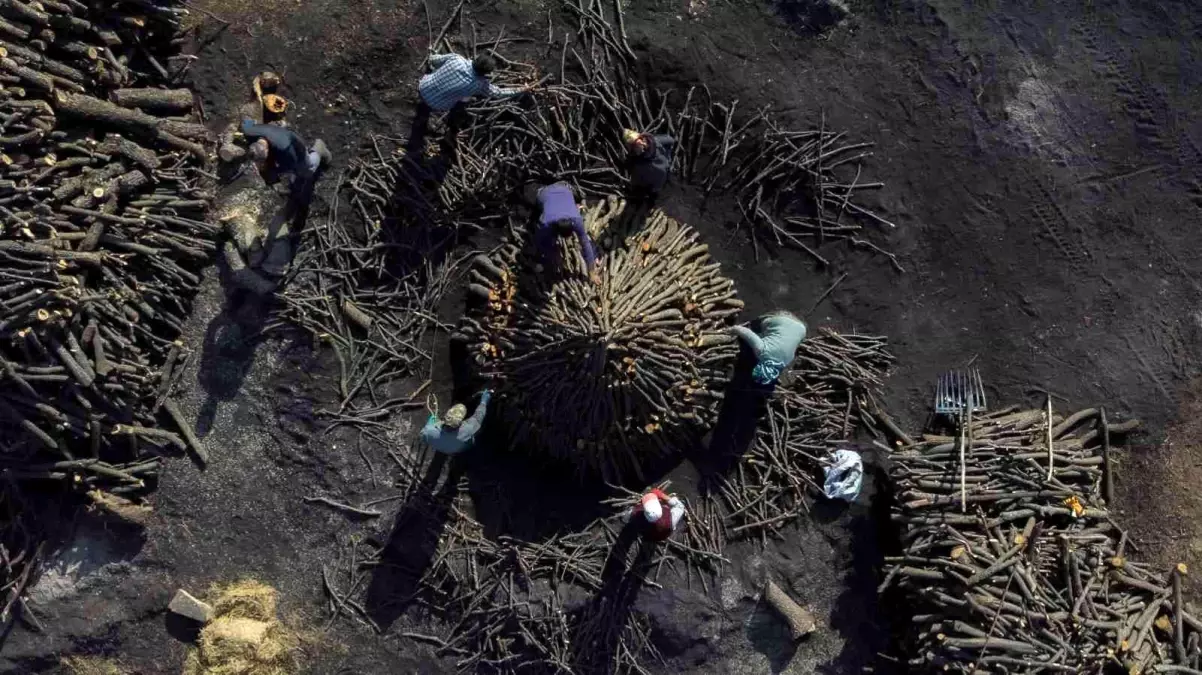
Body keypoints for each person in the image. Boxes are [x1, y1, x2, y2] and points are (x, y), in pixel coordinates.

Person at [412, 53, 529, 149]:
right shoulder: (479, 84)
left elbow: (434, 60)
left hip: (423, 86)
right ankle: (452, 127)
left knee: (454, 90)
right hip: (438, 105)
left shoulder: (456, 58)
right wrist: (522, 89)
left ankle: (422, 111)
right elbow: (498, 93)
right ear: (485, 73)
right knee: (464, 100)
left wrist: (433, 56)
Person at [240, 119, 330, 207]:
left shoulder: (284, 150)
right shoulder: (248, 131)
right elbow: (246, 121)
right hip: (276, 133)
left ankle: (319, 148)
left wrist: (276, 170)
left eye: (263, 160)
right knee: (267, 168)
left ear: (267, 150)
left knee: (306, 170)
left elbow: (291, 165)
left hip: (295, 145)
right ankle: (275, 184)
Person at [526, 182, 597, 277]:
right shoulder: (546, 223)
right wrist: (553, 254)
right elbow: (540, 242)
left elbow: (585, 243)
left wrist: (591, 271)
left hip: (564, 189)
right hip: (545, 192)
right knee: (532, 202)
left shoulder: (576, 220)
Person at [729, 310, 808, 385]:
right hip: (782, 319)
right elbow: (746, 333)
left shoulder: (786, 362)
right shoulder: (762, 351)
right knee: (758, 323)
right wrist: (733, 329)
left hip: (801, 330)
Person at [420, 390, 492, 455]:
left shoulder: (428, 430)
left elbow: (423, 436)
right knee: (474, 438)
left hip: (438, 446)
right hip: (456, 450)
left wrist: (431, 422)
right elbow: (479, 417)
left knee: (432, 419)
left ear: (446, 416)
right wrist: (483, 402)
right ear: (460, 421)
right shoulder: (467, 430)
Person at [622, 128, 675, 196]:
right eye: (633, 145)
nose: (638, 145)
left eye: (637, 142)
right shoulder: (635, 159)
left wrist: (668, 156)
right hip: (651, 185)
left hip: (662, 176)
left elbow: (670, 140)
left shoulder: (656, 141)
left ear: (641, 138)